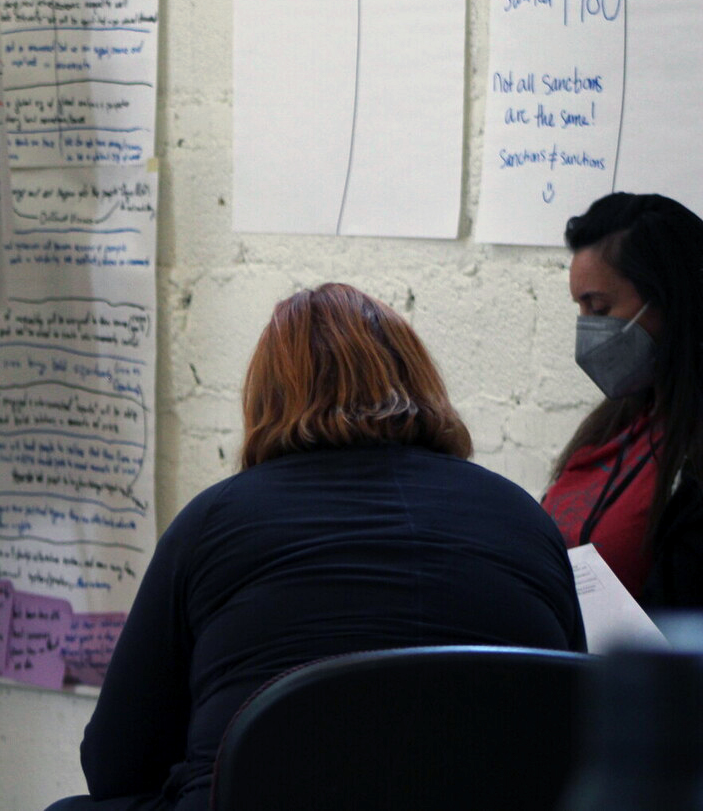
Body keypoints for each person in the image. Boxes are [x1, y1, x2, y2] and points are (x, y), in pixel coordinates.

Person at [46, 284, 585, 811]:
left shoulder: (213, 522)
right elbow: (582, 733)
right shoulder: (524, 518)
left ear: (266, 397)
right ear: (421, 381)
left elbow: (115, 766)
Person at [541, 192, 703, 609]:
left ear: (671, 299)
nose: (586, 330)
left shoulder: (691, 455)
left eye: (598, 307)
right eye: (580, 308)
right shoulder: (616, 422)